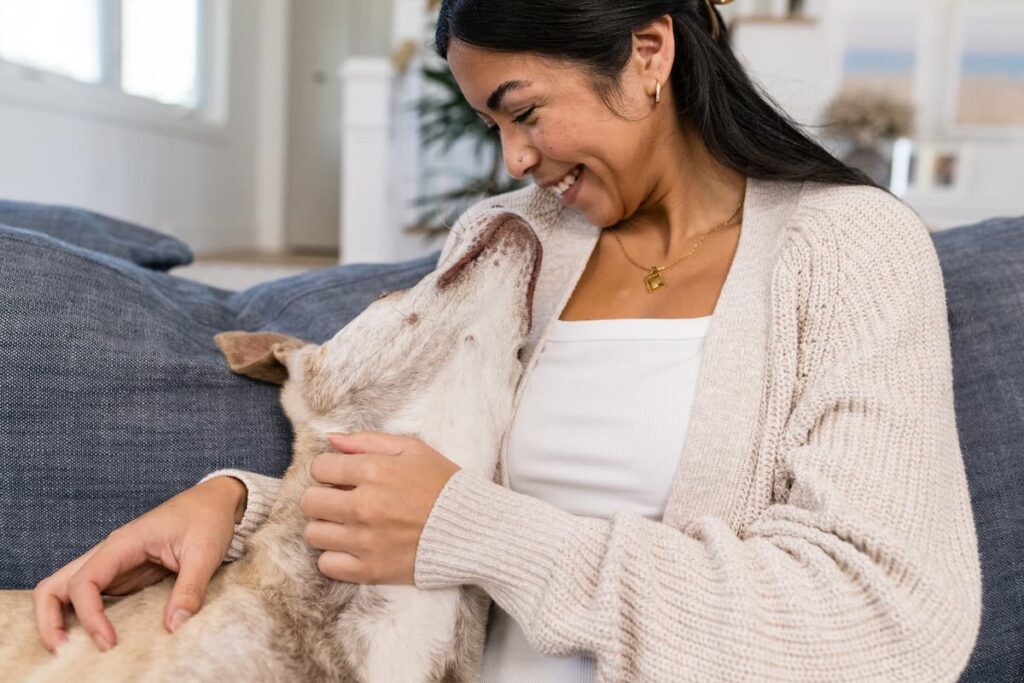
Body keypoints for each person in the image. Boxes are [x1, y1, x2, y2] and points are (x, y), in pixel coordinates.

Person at [33, 0, 982, 679]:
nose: (514, 159)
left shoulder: (851, 247)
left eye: (524, 112)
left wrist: (475, 532)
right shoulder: (511, 238)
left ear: (649, 52)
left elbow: (890, 624)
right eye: (493, 122)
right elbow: (425, 493)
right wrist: (233, 504)